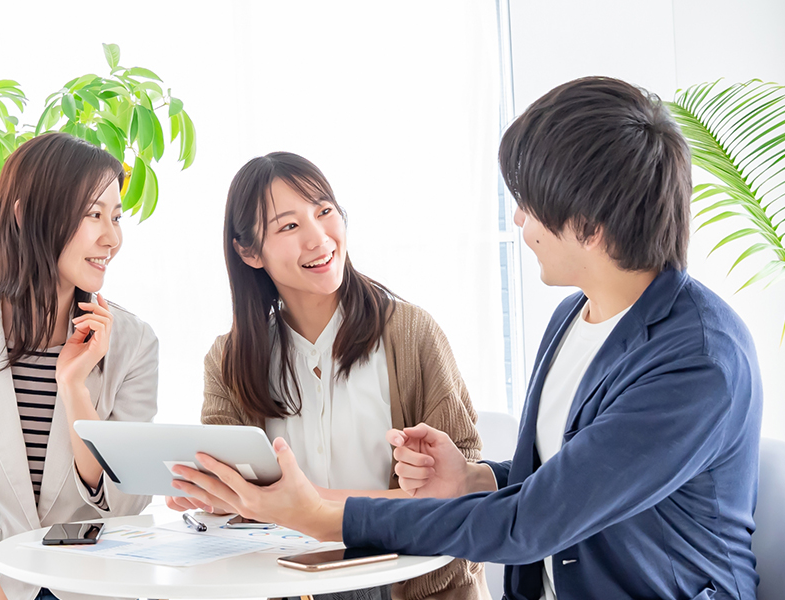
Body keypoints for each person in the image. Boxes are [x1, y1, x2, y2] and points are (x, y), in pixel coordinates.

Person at [168, 78, 763, 600]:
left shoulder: (697, 361)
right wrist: (474, 479)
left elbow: (530, 523)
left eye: (529, 204)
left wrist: (328, 517)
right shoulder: (572, 318)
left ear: (588, 224)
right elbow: (562, 477)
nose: (518, 223)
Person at [166, 152, 487, 599]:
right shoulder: (229, 358)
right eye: (289, 226)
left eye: (324, 211)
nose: (319, 239)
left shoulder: (412, 334)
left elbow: (460, 489)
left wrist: (305, 506)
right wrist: (213, 499)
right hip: (289, 584)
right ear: (248, 251)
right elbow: (238, 498)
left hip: (406, 582)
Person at [0, 133, 159, 600]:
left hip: (87, 586)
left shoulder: (133, 342)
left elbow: (127, 503)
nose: (113, 238)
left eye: (117, 217)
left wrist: (74, 386)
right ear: (26, 216)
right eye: (94, 214)